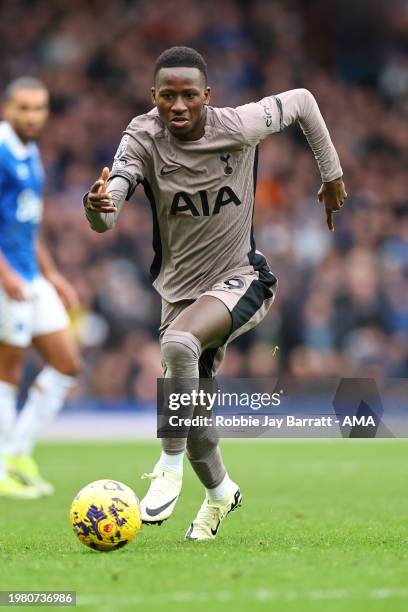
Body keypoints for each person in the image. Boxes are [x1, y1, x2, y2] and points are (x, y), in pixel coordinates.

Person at [84, 46, 347, 540]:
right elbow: (108, 208)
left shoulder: (240, 125)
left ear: (207, 95)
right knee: (197, 421)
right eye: (167, 96)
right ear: (153, 97)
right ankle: (221, 494)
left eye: (188, 95)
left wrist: (331, 175)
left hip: (241, 277)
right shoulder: (142, 136)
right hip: (179, 295)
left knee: (179, 346)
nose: (177, 106)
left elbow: (306, 101)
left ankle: (166, 464)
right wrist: (96, 206)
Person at [0, 77, 80, 498]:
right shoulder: (0, 150)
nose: (32, 116)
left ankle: (17, 454)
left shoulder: (31, 154)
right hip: (6, 278)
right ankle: (2, 470)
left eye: (39, 108)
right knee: (7, 369)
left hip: (30, 273)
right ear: (7, 107)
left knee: (67, 363)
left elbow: (29, 224)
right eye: (23, 108)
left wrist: (53, 274)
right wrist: (6, 274)